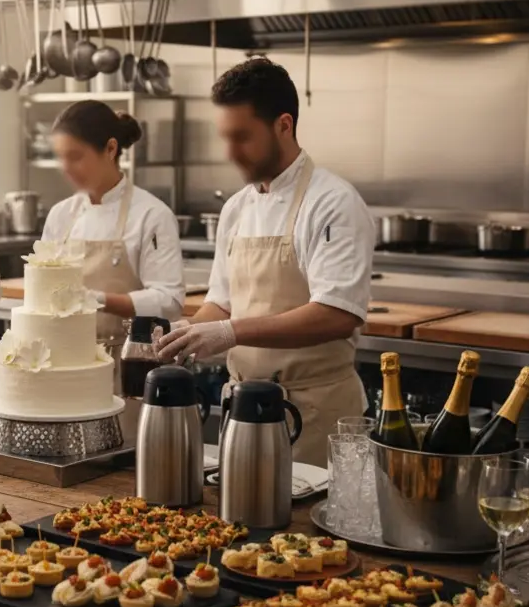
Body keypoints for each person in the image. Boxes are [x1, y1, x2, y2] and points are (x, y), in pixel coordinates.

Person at [158, 57, 375, 466]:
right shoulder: (237, 208)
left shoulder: (333, 203)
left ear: (284, 125)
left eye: (242, 137)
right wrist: (186, 333)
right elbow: (221, 303)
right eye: (225, 137)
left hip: (314, 413)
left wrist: (229, 332)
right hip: (242, 411)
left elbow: (337, 314)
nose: (230, 152)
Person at [40, 100, 185, 349]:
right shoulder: (61, 215)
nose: (66, 169)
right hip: (65, 355)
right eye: (61, 158)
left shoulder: (151, 214)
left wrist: (100, 300)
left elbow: (168, 300)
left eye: (75, 156)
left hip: (127, 358)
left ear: (110, 148)